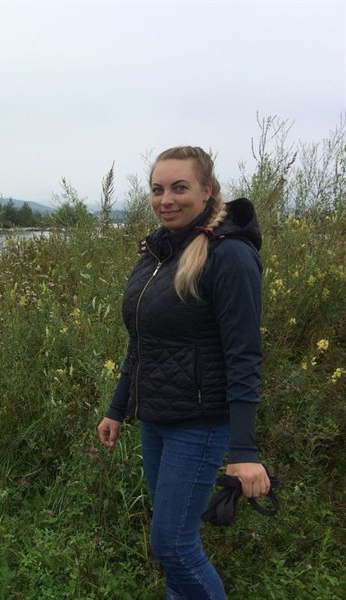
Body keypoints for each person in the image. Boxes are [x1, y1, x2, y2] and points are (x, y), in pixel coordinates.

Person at [96, 146, 271, 599]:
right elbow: (142, 340)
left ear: (207, 190)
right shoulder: (158, 251)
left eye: (179, 188)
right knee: (174, 540)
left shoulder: (229, 254)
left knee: (172, 545)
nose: (166, 199)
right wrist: (117, 408)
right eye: (157, 189)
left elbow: (244, 356)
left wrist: (244, 450)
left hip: (200, 424)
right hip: (156, 419)